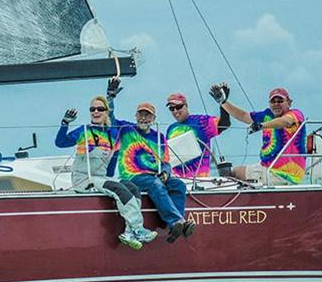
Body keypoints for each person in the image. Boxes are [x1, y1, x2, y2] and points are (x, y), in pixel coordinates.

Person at [55, 93, 157, 250]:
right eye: (92, 109)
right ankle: (138, 228)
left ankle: (129, 233)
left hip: (100, 178)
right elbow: (60, 143)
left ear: (107, 112)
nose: (95, 112)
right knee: (117, 188)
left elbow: (110, 171)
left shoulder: (113, 136)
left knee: (132, 187)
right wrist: (65, 123)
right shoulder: (84, 131)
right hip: (84, 179)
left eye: (100, 109)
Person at [116, 102, 195, 243]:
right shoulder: (126, 129)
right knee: (155, 184)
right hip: (132, 175)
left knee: (179, 185)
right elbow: (110, 116)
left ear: (154, 119)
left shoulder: (159, 137)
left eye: (148, 115)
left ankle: (176, 226)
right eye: (141, 114)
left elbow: (165, 162)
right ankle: (177, 221)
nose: (144, 118)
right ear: (136, 115)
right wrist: (111, 97)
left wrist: (165, 172)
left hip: (154, 175)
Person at [210, 83, 306, 185]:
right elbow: (244, 116)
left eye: (280, 101)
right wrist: (223, 102)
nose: (276, 104)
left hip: (282, 175)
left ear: (289, 103)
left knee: (231, 174)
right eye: (273, 101)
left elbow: (285, 121)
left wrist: (261, 126)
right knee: (229, 172)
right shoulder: (267, 115)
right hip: (266, 168)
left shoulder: (295, 114)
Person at [165, 91, 230, 178]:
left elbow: (225, 124)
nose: (175, 111)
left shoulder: (201, 122)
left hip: (199, 179)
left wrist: (223, 102)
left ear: (186, 105)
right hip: (177, 179)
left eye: (179, 107)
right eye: (172, 109)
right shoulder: (171, 129)